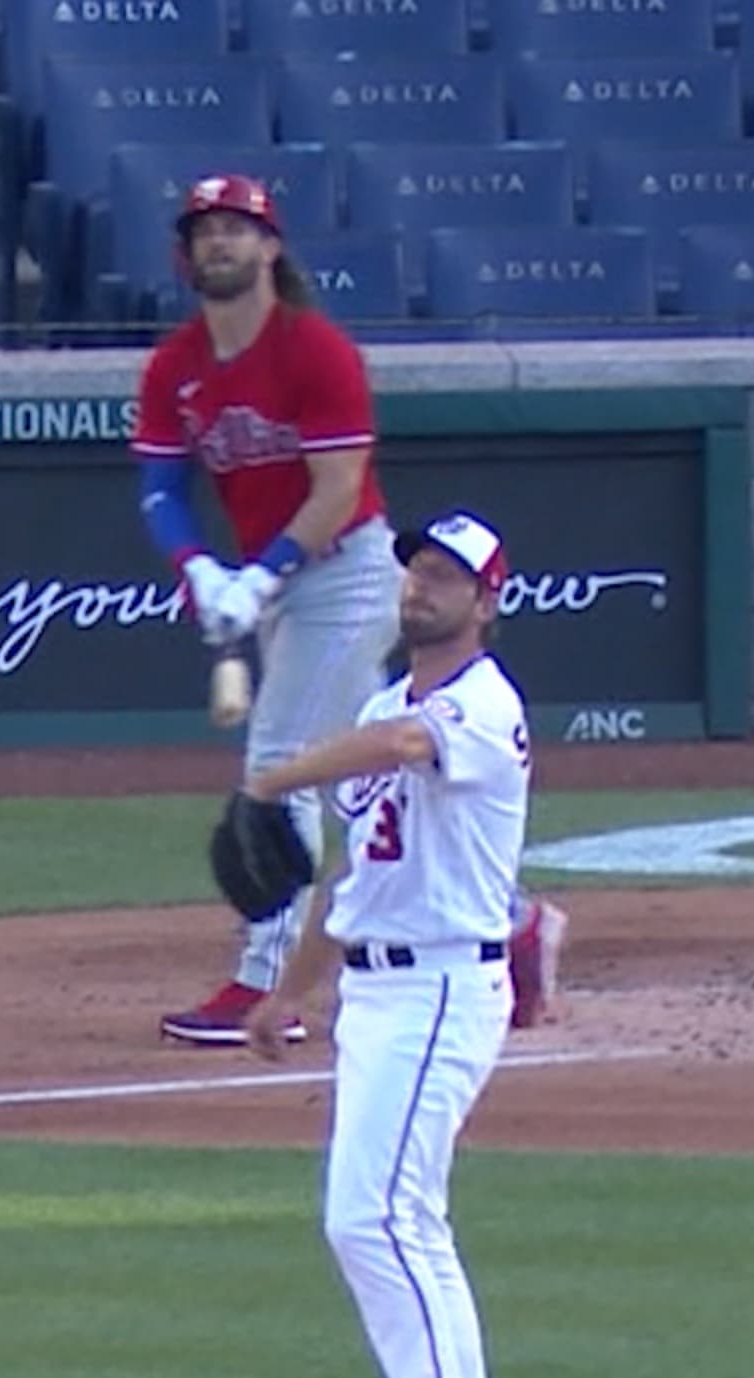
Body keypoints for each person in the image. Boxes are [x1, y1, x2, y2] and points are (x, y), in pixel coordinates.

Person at [132, 174, 565, 1045]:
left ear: (271, 247)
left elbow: (336, 490)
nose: (220, 242)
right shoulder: (175, 366)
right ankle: (513, 922)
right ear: (187, 253)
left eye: (237, 228)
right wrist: (200, 570)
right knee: (355, 776)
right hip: (270, 570)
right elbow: (160, 489)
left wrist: (261, 576)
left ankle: (263, 982)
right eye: (205, 230)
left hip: (347, 565)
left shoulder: (314, 349)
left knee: (284, 758)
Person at [241, 511, 531, 1378]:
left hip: (443, 990)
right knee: (380, 1220)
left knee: (382, 1219)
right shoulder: (378, 710)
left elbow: (409, 747)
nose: (421, 587)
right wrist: (290, 989)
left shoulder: (487, 705)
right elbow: (357, 874)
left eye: (447, 577)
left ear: (488, 602)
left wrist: (276, 777)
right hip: (374, 994)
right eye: (416, 571)